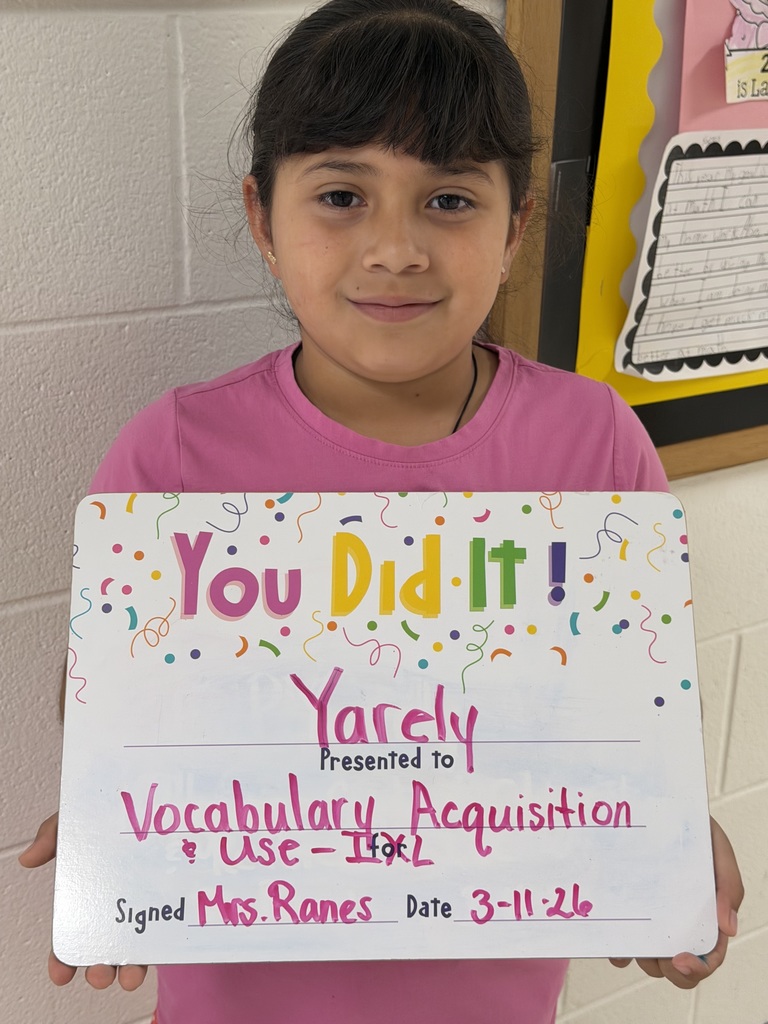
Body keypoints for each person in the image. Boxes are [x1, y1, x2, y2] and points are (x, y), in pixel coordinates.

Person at [20, 1, 743, 1021]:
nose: (395, 248)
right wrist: (113, 798)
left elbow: (635, 701)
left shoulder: (595, 444)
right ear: (264, 220)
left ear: (516, 225)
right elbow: (112, 681)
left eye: (449, 199)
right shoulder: (176, 452)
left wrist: (676, 831)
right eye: (343, 195)